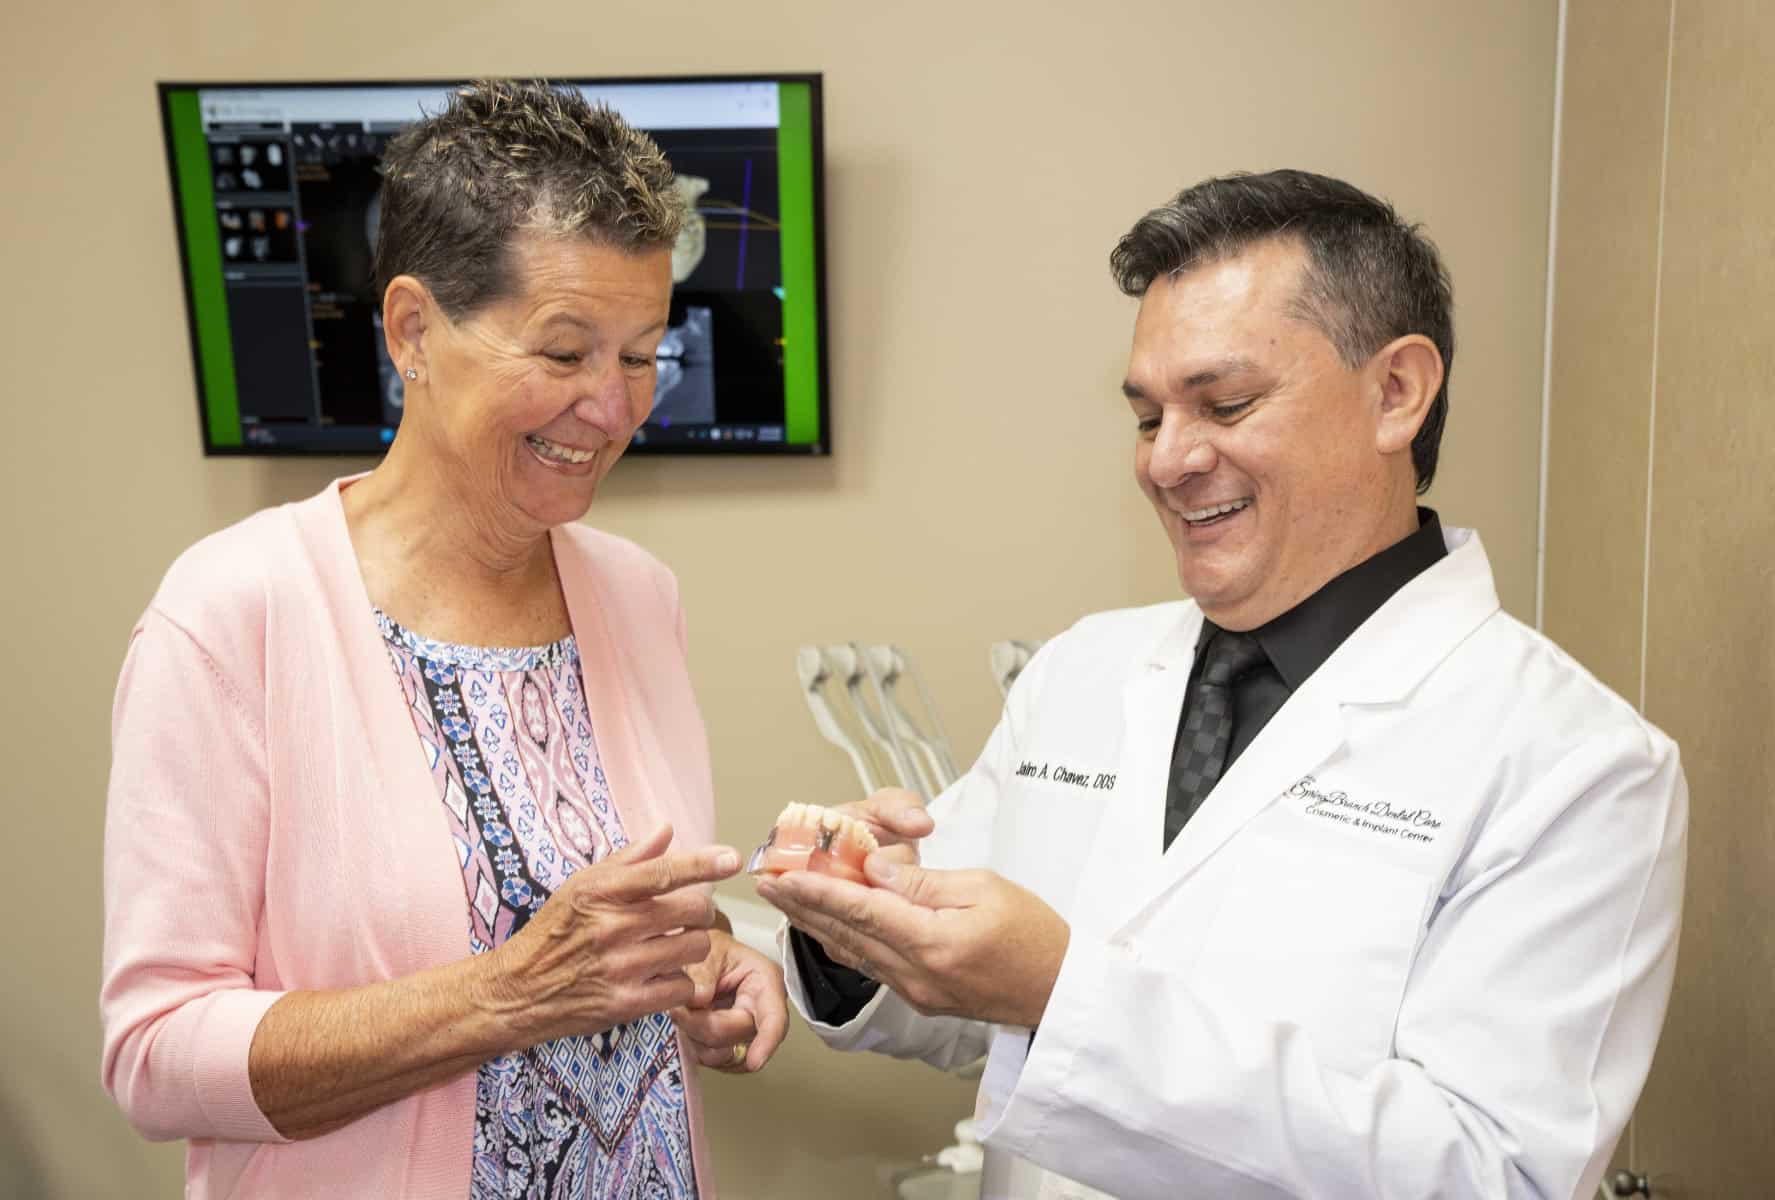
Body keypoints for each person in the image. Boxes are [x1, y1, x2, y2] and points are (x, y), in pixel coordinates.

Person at [758, 170, 1687, 1199]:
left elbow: (1490, 1174)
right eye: (1147, 417)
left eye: (1225, 404)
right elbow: (968, 996)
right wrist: (858, 921)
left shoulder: (1578, 767)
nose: (1167, 462)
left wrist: (1066, 997)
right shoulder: (1084, 671)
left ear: (1396, 392)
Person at [100, 80, 787, 1199]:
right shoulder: (234, 614)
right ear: (413, 329)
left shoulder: (637, 597)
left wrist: (707, 957)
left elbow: (609, 922)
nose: (615, 409)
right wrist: (506, 997)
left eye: (639, 354)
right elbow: (155, 1056)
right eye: (563, 353)